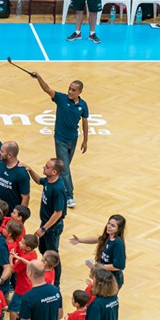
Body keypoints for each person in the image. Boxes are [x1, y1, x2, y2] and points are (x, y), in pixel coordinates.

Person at [29, 72, 88, 209]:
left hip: (73, 140)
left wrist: (85, 140)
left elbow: (85, 122)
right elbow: (47, 89)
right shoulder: (61, 98)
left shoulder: (83, 105)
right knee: (65, 169)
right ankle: (69, 196)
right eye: (69, 88)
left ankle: (57, 187)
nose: (70, 91)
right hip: (60, 139)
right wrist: (39, 77)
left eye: (73, 90)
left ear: (79, 92)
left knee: (63, 169)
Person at [22, 158, 68, 285]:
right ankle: (46, 273)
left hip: (52, 228)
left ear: (54, 172)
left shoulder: (58, 188)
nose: (43, 167)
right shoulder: (48, 180)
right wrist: (30, 169)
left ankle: (56, 283)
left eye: (47, 167)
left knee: (52, 256)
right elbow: (38, 180)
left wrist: (44, 229)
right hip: (46, 224)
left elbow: (58, 213)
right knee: (43, 251)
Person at [70, 214, 126, 290]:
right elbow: (98, 239)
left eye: (113, 226)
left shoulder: (118, 244)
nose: (109, 226)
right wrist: (80, 240)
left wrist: (98, 267)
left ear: (119, 229)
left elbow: (118, 266)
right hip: (103, 275)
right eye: (108, 223)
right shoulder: (108, 237)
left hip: (112, 280)